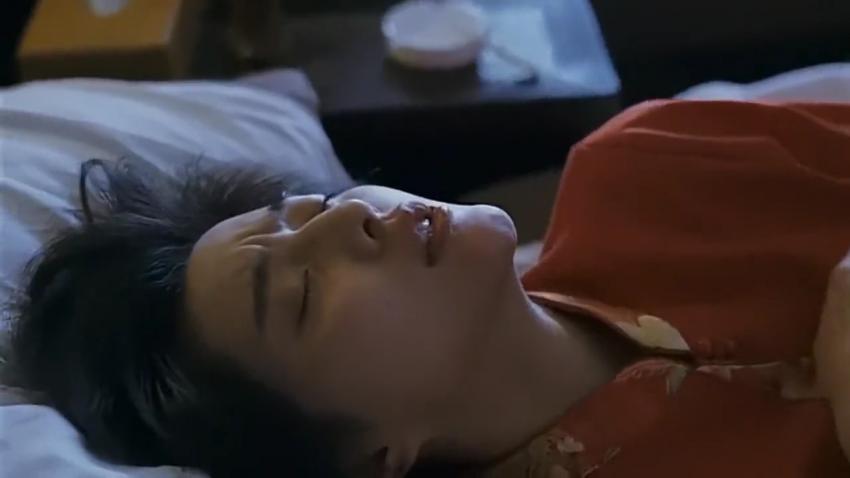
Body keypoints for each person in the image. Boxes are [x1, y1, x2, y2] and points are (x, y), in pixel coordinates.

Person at [8, 99, 850, 478]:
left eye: (313, 207)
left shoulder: (643, 164)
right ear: (374, 457)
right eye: (301, 295)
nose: (353, 219)